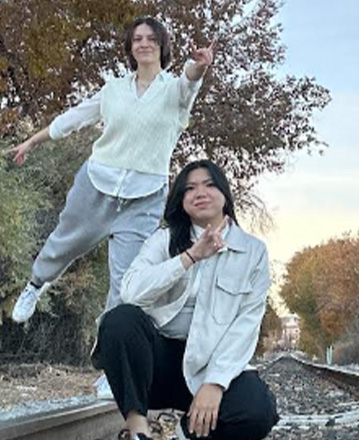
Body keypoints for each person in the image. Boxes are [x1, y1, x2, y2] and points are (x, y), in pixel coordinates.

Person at [10, 16, 214, 323]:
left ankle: (109, 354)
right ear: (130, 48)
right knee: (63, 244)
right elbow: (73, 118)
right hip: (96, 183)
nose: (144, 43)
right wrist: (30, 142)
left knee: (128, 282)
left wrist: (199, 65)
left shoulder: (175, 92)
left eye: (152, 39)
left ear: (162, 47)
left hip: (144, 198)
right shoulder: (113, 90)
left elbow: (190, 80)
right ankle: (36, 285)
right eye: (137, 39)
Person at [95, 160, 279, 440]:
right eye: (190, 188)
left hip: (210, 363)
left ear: (224, 196)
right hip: (157, 366)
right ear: (181, 200)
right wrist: (189, 257)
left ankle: (181, 435)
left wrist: (215, 383)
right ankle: (137, 431)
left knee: (257, 410)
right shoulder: (163, 240)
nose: (200, 193)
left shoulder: (252, 251)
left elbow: (247, 323)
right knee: (119, 320)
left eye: (209, 185)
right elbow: (130, 292)